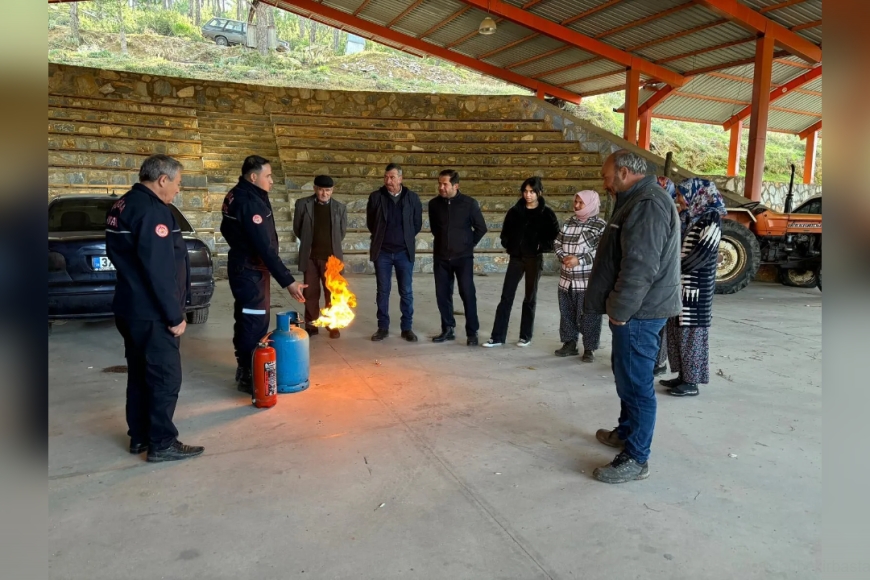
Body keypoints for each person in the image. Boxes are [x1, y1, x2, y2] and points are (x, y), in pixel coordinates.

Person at [585, 150, 681, 484]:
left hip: (639, 311)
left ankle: (637, 458)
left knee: (637, 384)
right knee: (626, 375)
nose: (605, 183)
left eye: (607, 177)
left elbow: (640, 266)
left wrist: (621, 311)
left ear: (624, 173)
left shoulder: (647, 205)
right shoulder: (636, 198)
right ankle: (627, 432)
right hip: (634, 310)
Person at [105, 154, 204, 462]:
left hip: (129, 307)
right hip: (152, 312)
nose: (178, 189)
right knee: (164, 377)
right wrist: (175, 316)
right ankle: (161, 443)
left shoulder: (123, 204)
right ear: (162, 179)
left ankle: (140, 437)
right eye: (177, 183)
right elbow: (159, 270)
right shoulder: (153, 212)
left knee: (139, 373)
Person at [220, 155, 306, 394]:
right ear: (253, 176)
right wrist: (288, 281)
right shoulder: (249, 203)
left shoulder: (239, 194)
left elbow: (225, 228)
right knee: (254, 323)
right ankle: (250, 376)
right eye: (268, 176)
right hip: (251, 271)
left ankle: (244, 366)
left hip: (246, 266)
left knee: (247, 318)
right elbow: (264, 248)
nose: (272, 180)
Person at [660, 177, 726, 397]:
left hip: (696, 289)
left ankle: (692, 382)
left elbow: (703, 255)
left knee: (692, 334)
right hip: (679, 286)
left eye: (681, 195)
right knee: (677, 331)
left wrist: (673, 267)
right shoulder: (689, 217)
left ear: (697, 195)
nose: (678, 199)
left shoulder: (711, 219)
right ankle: (682, 376)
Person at [482, 177, 559, 348]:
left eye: (532, 191)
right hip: (516, 258)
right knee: (506, 296)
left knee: (530, 297)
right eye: (525, 191)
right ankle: (497, 337)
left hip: (534, 258)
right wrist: (509, 244)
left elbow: (554, 237)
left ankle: (525, 336)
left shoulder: (547, 214)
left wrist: (540, 247)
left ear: (539, 192)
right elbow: (505, 233)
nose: (528, 195)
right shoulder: (514, 211)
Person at [428, 169, 488, 346]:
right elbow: (435, 229)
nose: (441, 187)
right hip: (441, 257)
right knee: (442, 294)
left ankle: (472, 332)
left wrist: (467, 244)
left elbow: (481, 228)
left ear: (456, 185)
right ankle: (447, 329)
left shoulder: (469, 204)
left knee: (467, 293)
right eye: (439, 183)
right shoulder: (433, 204)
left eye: (445, 184)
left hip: (463, 258)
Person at [366, 163, 423, 342]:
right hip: (382, 252)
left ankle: (407, 328)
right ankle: (382, 327)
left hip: (404, 253)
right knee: (383, 291)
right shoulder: (376, 197)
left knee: (406, 291)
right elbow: (371, 223)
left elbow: (417, 223)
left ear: (400, 178)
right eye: (386, 177)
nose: (388, 181)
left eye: (392, 177)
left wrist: (404, 238)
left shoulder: (412, 198)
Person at [553, 190, 606, 362]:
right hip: (566, 279)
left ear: (590, 204)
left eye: (580, 203)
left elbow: (601, 252)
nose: (576, 205)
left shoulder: (600, 226)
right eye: (575, 201)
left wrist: (579, 260)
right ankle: (570, 343)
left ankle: (590, 348)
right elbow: (557, 242)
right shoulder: (569, 222)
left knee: (589, 316)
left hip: (587, 281)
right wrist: (564, 257)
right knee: (567, 313)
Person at [293, 175, 347, 339]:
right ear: (315, 189)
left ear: (332, 190)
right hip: (310, 257)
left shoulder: (340, 207)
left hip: (331, 259)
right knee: (311, 293)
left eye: (328, 190)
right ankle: (312, 325)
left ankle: (333, 324)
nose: (324, 193)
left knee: (332, 293)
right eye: (321, 190)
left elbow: (341, 232)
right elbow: (297, 228)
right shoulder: (303, 204)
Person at [654, 176, 677, 377]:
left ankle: (659, 362)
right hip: (651, 277)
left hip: (665, 278)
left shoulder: (671, 214)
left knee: (660, 323)